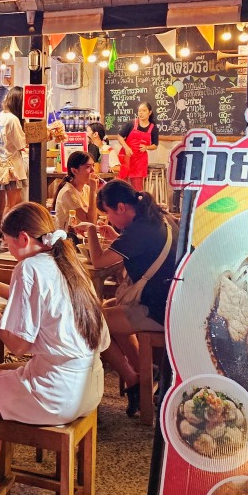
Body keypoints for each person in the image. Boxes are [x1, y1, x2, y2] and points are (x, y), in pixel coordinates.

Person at [0, 202, 108, 495]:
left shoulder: (29, 268)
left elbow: (18, 344)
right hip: (89, 385)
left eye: (7, 243)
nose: (6, 248)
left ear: (22, 238)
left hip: (57, 393)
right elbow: (39, 300)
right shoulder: (67, 262)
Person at [78, 179, 176, 417]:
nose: (109, 219)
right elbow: (144, 249)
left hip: (157, 308)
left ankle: (133, 380)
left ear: (121, 207)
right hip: (171, 300)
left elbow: (99, 261)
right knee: (107, 308)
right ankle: (146, 372)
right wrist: (115, 236)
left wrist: (91, 230)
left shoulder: (139, 230)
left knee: (90, 322)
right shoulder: (156, 218)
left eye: (109, 213)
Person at [0, 86, 29, 216]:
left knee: (12, 203)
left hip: (3, 164)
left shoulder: (2, 115)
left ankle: (8, 233)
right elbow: (21, 144)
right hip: (13, 168)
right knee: (13, 204)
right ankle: (6, 234)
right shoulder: (13, 119)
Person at [54, 151, 99, 231]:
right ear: (74, 171)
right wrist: (93, 191)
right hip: (68, 239)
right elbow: (90, 223)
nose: (93, 170)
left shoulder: (86, 188)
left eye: (93, 166)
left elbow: (98, 216)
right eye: (88, 167)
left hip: (83, 237)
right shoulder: (67, 193)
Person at [119, 101, 159, 190]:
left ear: (150, 112)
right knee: (122, 185)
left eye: (144, 110)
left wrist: (147, 147)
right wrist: (126, 147)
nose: (141, 113)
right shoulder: (132, 123)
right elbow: (120, 137)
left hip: (139, 161)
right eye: (139, 111)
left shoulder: (153, 128)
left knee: (137, 188)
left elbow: (155, 145)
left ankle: (137, 203)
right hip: (127, 158)